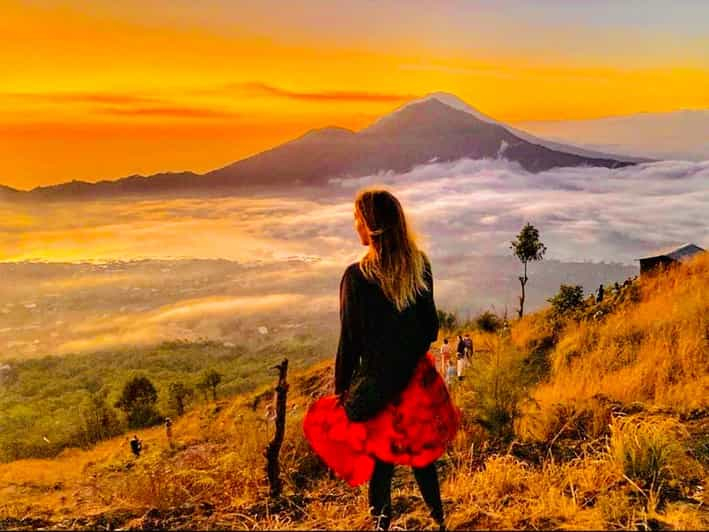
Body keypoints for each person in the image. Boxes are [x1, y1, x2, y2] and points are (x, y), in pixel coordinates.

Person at [303, 189, 459, 531]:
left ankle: (381, 527)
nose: (354, 227)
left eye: (357, 220)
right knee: (423, 460)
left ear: (371, 227)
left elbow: (350, 343)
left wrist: (343, 392)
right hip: (415, 380)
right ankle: (440, 521)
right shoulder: (420, 264)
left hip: (377, 383)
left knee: (380, 466)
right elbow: (430, 328)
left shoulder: (356, 278)